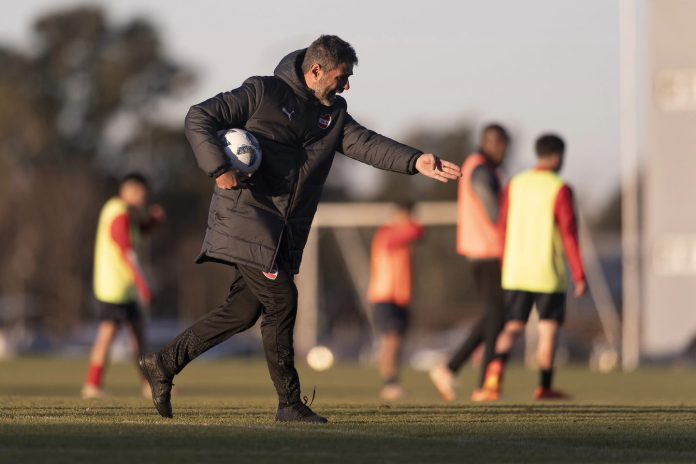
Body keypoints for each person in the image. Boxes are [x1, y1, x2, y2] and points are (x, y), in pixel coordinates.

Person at [138, 35, 461, 423]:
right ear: (316, 70)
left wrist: (415, 160)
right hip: (247, 218)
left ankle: (162, 364)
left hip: (283, 233)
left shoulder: (334, 115)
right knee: (282, 300)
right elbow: (198, 116)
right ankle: (289, 404)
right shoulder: (262, 92)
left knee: (242, 313)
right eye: (342, 77)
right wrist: (219, 169)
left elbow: (367, 144)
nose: (346, 86)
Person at [478, 133, 586, 401]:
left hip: (516, 270)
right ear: (558, 156)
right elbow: (569, 234)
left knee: (513, 326)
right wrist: (579, 273)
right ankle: (544, 387)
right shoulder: (559, 188)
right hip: (547, 273)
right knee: (548, 329)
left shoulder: (516, 184)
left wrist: (505, 261)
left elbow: (502, 227)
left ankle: (493, 380)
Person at [429, 124, 509, 402]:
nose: (503, 152)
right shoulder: (481, 170)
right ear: (490, 143)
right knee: (497, 316)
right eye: (501, 145)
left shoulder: (479, 167)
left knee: (494, 316)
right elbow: (494, 212)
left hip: (483, 251)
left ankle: (451, 369)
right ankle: (482, 385)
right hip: (488, 252)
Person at [82, 173, 165, 399]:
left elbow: (138, 232)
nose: (145, 199)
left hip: (123, 287)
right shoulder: (119, 213)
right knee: (108, 334)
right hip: (113, 287)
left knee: (139, 336)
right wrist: (144, 286)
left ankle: (149, 386)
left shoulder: (126, 214)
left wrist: (153, 222)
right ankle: (92, 385)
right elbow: (127, 252)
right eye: (142, 194)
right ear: (131, 191)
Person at [367, 201, 424, 401]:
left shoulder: (398, 234)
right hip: (385, 295)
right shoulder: (388, 233)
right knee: (392, 340)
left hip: (400, 296)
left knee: (397, 342)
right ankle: (389, 383)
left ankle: (392, 381)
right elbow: (417, 231)